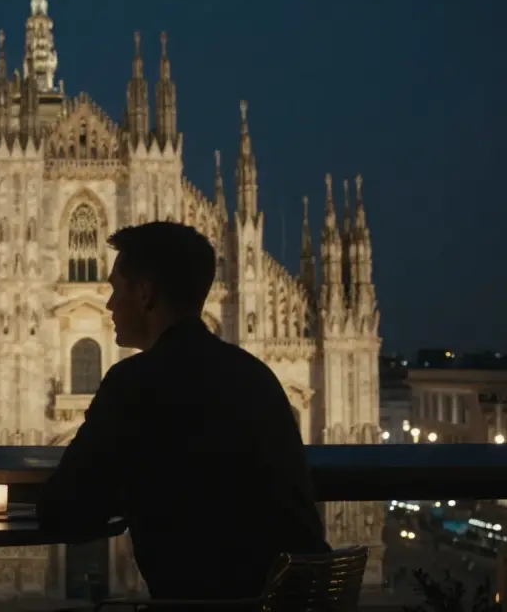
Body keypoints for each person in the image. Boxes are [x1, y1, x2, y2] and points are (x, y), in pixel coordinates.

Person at [38, 222, 329, 600]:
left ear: (145, 294)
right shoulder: (256, 376)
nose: (109, 304)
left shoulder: (134, 383)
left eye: (116, 289)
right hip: (298, 600)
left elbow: (63, 511)